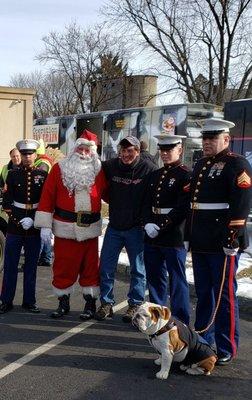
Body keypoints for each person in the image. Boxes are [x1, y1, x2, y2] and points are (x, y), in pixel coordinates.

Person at [187, 118, 252, 365]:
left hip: (221, 240)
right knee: (203, 294)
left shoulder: (236, 164)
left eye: (212, 139)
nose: (206, 143)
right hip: (201, 239)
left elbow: (241, 202)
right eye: (204, 138)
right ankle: (203, 340)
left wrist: (233, 236)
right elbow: (194, 205)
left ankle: (227, 346)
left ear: (226, 139)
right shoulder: (202, 164)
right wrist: (188, 236)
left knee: (224, 296)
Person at [34, 130, 108, 320]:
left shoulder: (99, 169)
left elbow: (110, 195)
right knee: (63, 266)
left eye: (87, 150)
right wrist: (45, 224)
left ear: (93, 152)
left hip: (90, 230)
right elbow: (48, 195)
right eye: (80, 149)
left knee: (90, 267)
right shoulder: (60, 168)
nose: (83, 153)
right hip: (65, 227)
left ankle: (90, 304)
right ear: (75, 149)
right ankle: (63, 303)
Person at [95, 135, 158, 323]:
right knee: (106, 266)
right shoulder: (111, 166)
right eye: (123, 151)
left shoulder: (149, 169)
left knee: (138, 270)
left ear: (138, 151)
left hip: (136, 228)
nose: (126, 154)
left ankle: (135, 304)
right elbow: (92, 167)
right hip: (114, 226)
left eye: (130, 151)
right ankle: (106, 303)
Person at [142, 134, 191, 324]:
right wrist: (147, 222)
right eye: (162, 150)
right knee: (155, 279)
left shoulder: (185, 175)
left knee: (177, 281)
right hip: (152, 234)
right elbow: (145, 202)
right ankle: (158, 319)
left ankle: (180, 321)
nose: (164, 153)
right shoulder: (155, 175)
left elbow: (182, 208)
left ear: (180, 150)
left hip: (173, 235)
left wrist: (160, 227)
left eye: (169, 150)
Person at [0, 139, 47, 314]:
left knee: (31, 266)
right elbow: (6, 203)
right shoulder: (12, 175)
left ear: (36, 155)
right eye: (24, 154)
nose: (27, 157)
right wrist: (19, 221)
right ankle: (6, 301)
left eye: (30, 154)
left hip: (34, 227)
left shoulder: (43, 176)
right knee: (11, 265)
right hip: (15, 227)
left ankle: (29, 301)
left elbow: (46, 202)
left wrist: (35, 220)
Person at [34, 139, 53, 266]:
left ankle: (39, 258)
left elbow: (40, 182)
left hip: (44, 200)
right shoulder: (44, 161)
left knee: (42, 231)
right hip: (46, 199)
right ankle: (46, 257)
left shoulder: (43, 163)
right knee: (45, 232)